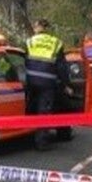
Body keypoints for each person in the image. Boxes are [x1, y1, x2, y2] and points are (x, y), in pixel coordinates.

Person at [24, 18, 72, 150]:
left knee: (30, 106)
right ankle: (41, 142)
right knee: (44, 111)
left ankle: (27, 134)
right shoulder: (56, 43)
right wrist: (66, 84)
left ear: (37, 27)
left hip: (31, 80)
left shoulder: (30, 41)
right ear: (47, 28)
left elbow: (25, 61)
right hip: (47, 82)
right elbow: (61, 67)